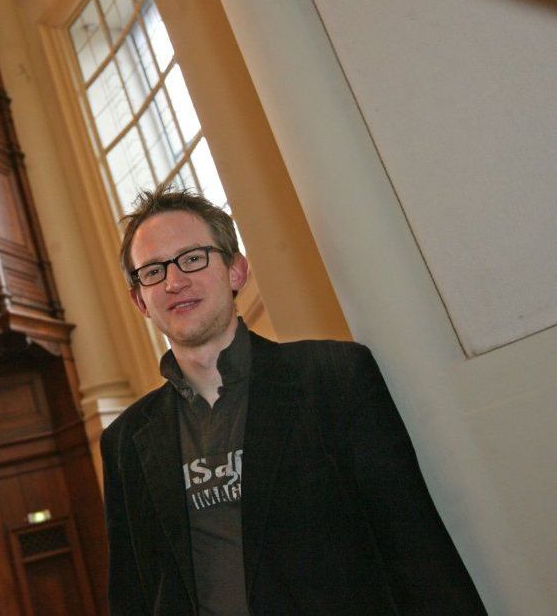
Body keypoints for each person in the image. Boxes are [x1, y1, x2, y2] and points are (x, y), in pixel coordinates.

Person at [100, 184, 486, 615]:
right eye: (152, 271)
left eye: (193, 258)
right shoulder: (123, 441)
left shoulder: (335, 377)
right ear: (140, 300)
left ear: (235, 271)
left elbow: (415, 546)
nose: (174, 281)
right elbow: (133, 595)